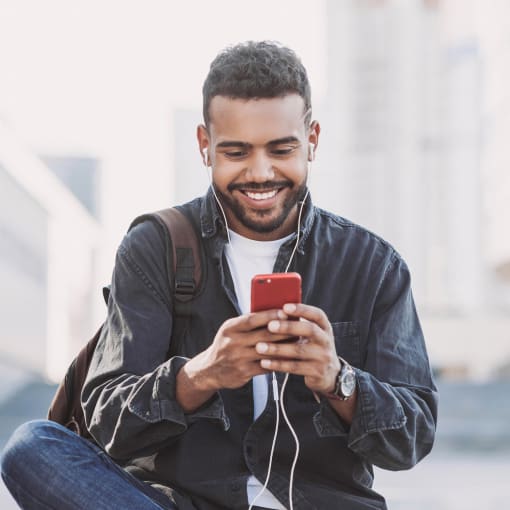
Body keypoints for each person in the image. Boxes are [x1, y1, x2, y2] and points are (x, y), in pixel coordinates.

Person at [1, 41, 438, 510]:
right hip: (177, 503)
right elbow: (106, 423)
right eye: (236, 152)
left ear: (311, 139)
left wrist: (337, 379)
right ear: (205, 146)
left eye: (281, 149)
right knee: (32, 447)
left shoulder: (372, 265)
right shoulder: (156, 246)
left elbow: (412, 438)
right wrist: (199, 376)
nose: (261, 172)